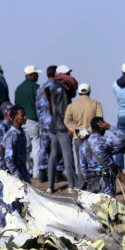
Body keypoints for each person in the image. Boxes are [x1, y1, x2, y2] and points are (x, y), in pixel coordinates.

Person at [64, 83, 103, 190]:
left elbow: (67, 121)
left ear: (79, 92)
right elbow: (99, 120)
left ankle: (81, 188)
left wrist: (78, 130)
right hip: (92, 138)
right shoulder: (96, 104)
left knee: (81, 164)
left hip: (78, 138)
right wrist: (89, 130)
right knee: (93, 162)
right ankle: (93, 187)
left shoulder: (72, 106)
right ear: (89, 92)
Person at [47, 65, 78, 193]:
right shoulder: (62, 90)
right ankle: (72, 185)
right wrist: (69, 126)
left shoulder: (54, 87)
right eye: (67, 73)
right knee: (67, 156)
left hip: (54, 126)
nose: (69, 76)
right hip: (62, 127)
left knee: (53, 156)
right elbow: (63, 110)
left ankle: (50, 185)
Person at [79, 117, 125, 195]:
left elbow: (82, 167)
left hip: (92, 182)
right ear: (102, 128)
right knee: (108, 205)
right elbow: (124, 137)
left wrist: (89, 180)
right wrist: (110, 127)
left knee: (95, 205)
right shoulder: (105, 140)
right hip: (106, 183)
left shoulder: (83, 145)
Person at [0, 105, 30, 226]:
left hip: (22, 172)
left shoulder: (21, 133)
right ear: (15, 118)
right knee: (11, 205)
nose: (25, 117)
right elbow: (8, 158)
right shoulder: (12, 135)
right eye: (22, 115)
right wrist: (16, 176)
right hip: (13, 176)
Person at [36, 65, 63, 182]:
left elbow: (37, 106)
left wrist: (41, 119)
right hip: (56, 123)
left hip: (44, 122)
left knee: (44, 147)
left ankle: (42, 171)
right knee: (58, 147)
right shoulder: (59, 88)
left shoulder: (41, 88)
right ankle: (57, 172)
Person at [15, 65, 42, 176]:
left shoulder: (19, 88)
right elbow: (41, 104)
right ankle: (36, 172)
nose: (38, 75)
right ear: (31, 75)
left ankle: (25, 170)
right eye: (36, 74)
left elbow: (16, 105)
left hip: (21, 121)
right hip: (33, 120)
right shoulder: (36, 87)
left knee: (24, 148)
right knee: (36, 146)